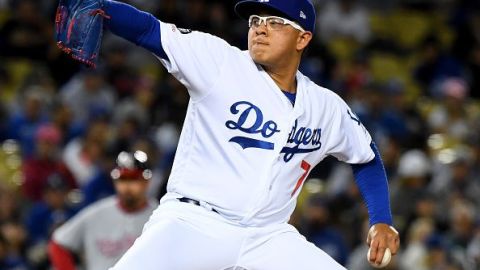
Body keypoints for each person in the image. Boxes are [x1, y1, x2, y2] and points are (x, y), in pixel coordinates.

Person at [66, 0, 400, 269]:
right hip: (193, 223)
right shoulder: (220, 63)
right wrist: (102, 7)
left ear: (303, 38)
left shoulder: (326, 107)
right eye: (255, 20)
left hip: (268, 238)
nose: (260, 29)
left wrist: (381, 220)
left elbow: (367, 157)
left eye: (275, 21)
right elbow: (149, 30)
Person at [48, 150, 158, 270]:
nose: (127, 186)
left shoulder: (161, 216)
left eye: (133, 179)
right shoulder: (96, 213)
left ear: (146, 182)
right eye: (123, 179)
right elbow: (58, 244)